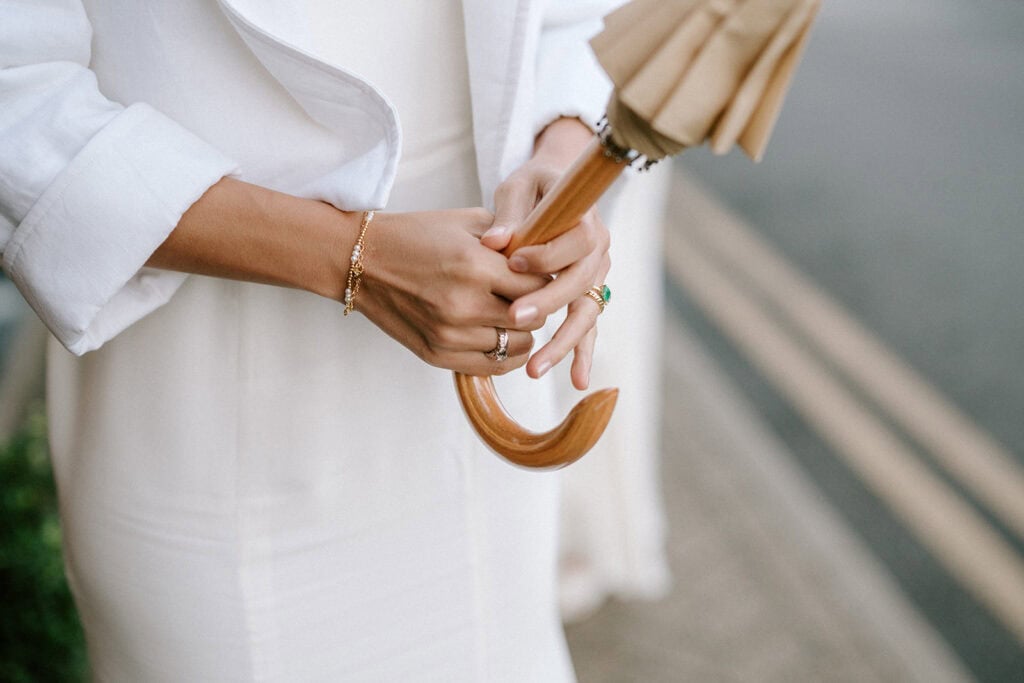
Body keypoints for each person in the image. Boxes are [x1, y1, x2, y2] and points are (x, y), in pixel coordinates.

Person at [1, 0, 619, 680]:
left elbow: (572, 16)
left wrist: (564, 165)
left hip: (477, 387)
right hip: (207, 404)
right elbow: (17, 94)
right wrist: (354, 257)